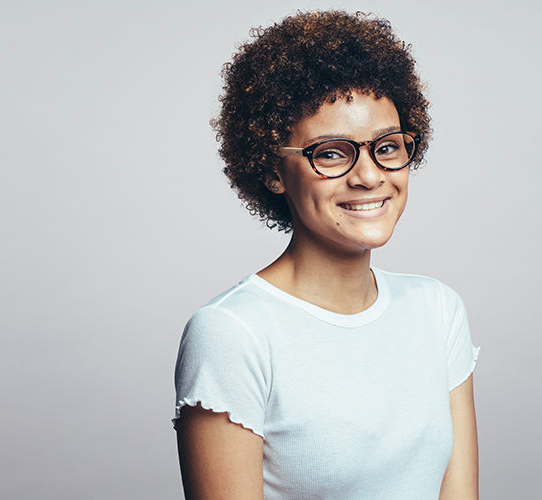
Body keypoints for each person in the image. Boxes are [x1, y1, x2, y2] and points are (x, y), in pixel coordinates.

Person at [173, 10, 480, 500]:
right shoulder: (233, 333)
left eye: (387, 146)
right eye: (332, 153)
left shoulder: (438, 311)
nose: (369, 176)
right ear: (272, 170)